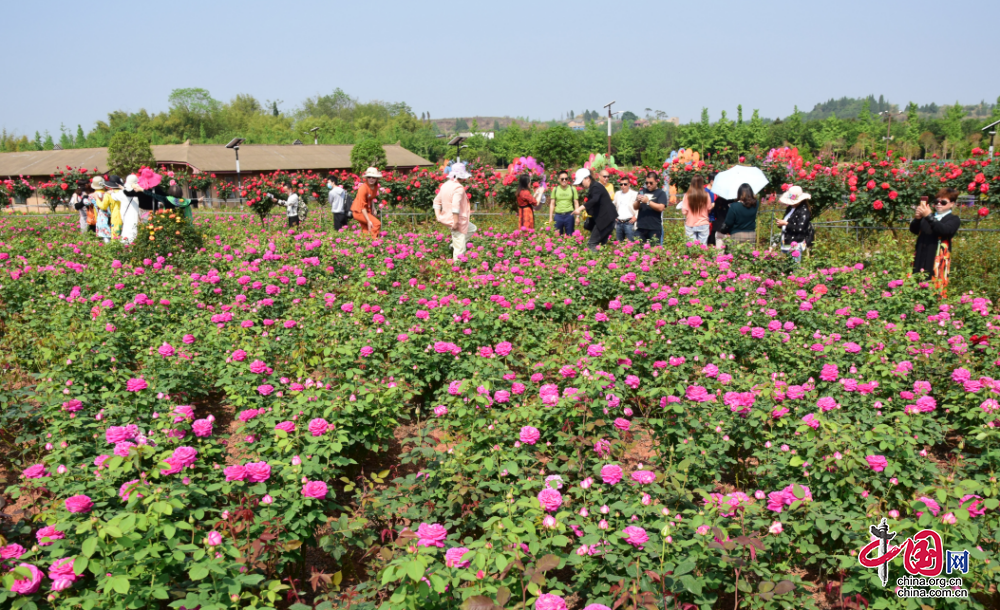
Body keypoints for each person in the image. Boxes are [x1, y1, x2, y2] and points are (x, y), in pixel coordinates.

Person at [910, 187, 961, 293]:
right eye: (936, 201)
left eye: (943, 202)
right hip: (921, 254)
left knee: (935, 287)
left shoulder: (953, 219)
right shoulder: (928, 216)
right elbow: (914, 230)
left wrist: (928, 216)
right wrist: (918, 218)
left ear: (952, 203)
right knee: (916, 283)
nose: (938, 204)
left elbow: (944, 230)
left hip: (937, 258)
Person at [433, 162, 476, 261]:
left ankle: (454, 244)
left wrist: (438, 216)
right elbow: (455, 206)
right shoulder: (459, 188)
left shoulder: (446, 185)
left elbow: (436, 201)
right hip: (457, 220)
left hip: (450, 218)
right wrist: (455, 221)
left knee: (472, 228)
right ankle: (457, 270)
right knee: (460, 249)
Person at [575, 168, 615, 251]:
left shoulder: (596, 187)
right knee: (601, 244)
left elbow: (595, 200)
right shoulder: (594, 187)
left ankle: (593, 262)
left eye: (581, 183)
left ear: (587, 178)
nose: (581, 186)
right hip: (607, 220)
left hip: (605, 221)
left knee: (592, 243)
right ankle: (602, 262)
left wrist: (580, 208)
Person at [776, 185, 813, 262]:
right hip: (787, 239)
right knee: (787, 264)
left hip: (796, 241)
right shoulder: (790, 208)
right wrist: (781, 224)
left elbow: (800, 228)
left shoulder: (804, 210)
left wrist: (786, 224)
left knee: (795, 264)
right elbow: (788, 222)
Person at [720, 183, 758, 247]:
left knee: (736, 255)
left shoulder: (734, 206)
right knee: (749, 255)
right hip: (751, 234)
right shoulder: (756, 204)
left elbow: (729, 222)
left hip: (737, 234)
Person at [633, 172, 667, 242]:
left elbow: (661, 208)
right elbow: (635, 207)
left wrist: (648, 202)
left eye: (651, 183)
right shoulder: (642, 191)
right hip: (641, 227)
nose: (648, 185)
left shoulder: (661, 193)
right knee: (637, 250)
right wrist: (638, 201)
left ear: (656, 182)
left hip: (654, 228)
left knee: (654, 250)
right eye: (647, 183)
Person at [679, 175, 713, 245]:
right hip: (703, 223)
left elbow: (684, 211)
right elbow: (709, 209)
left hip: (690, 224)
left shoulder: (687, 195)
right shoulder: (706, 195)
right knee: (703, 247)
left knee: (691, 248)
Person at [548, 170, 581, 235]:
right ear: (558, 179)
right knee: (557, 236)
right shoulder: (555, 189)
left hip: (569, 215)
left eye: (566, 179)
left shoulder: (572, 189)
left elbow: (576, 203)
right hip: (558, 216)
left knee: (570, 236)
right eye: (562, 179)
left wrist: (577, 217)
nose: (564, 180)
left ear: (568, 179)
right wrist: (550, 218)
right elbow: (552, 204)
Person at [352, 167, 382, 238]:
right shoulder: (363, 188)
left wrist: (373, 207)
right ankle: (373, 242)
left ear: (376, 178)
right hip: (359, 211)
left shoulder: (375, 186)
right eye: (369, 177)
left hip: (366, 210)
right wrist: (368, 220)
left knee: (366, 230)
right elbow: (362, 206)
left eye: (373, 177)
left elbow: (371, 197)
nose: (371, 179)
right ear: (367, 178)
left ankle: (365, 246)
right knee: (376, 224)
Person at [612, 175, 638, 241]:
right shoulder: (618, 194)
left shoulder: (634, 194)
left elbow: (640, 207)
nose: (623, 186)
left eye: (625, 184)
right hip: (619, 222)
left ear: (629, 184)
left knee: (631, 244)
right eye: (621, 184)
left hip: (629, 222)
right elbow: (613, 205)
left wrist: (636, 217)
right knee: (619, 244)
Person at [92, 176, 114, 242]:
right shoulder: (109, 193)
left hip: (101, 216)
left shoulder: (93, 195)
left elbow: (85, 202)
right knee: (110, 233)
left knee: (104, 235)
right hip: (111, 215)